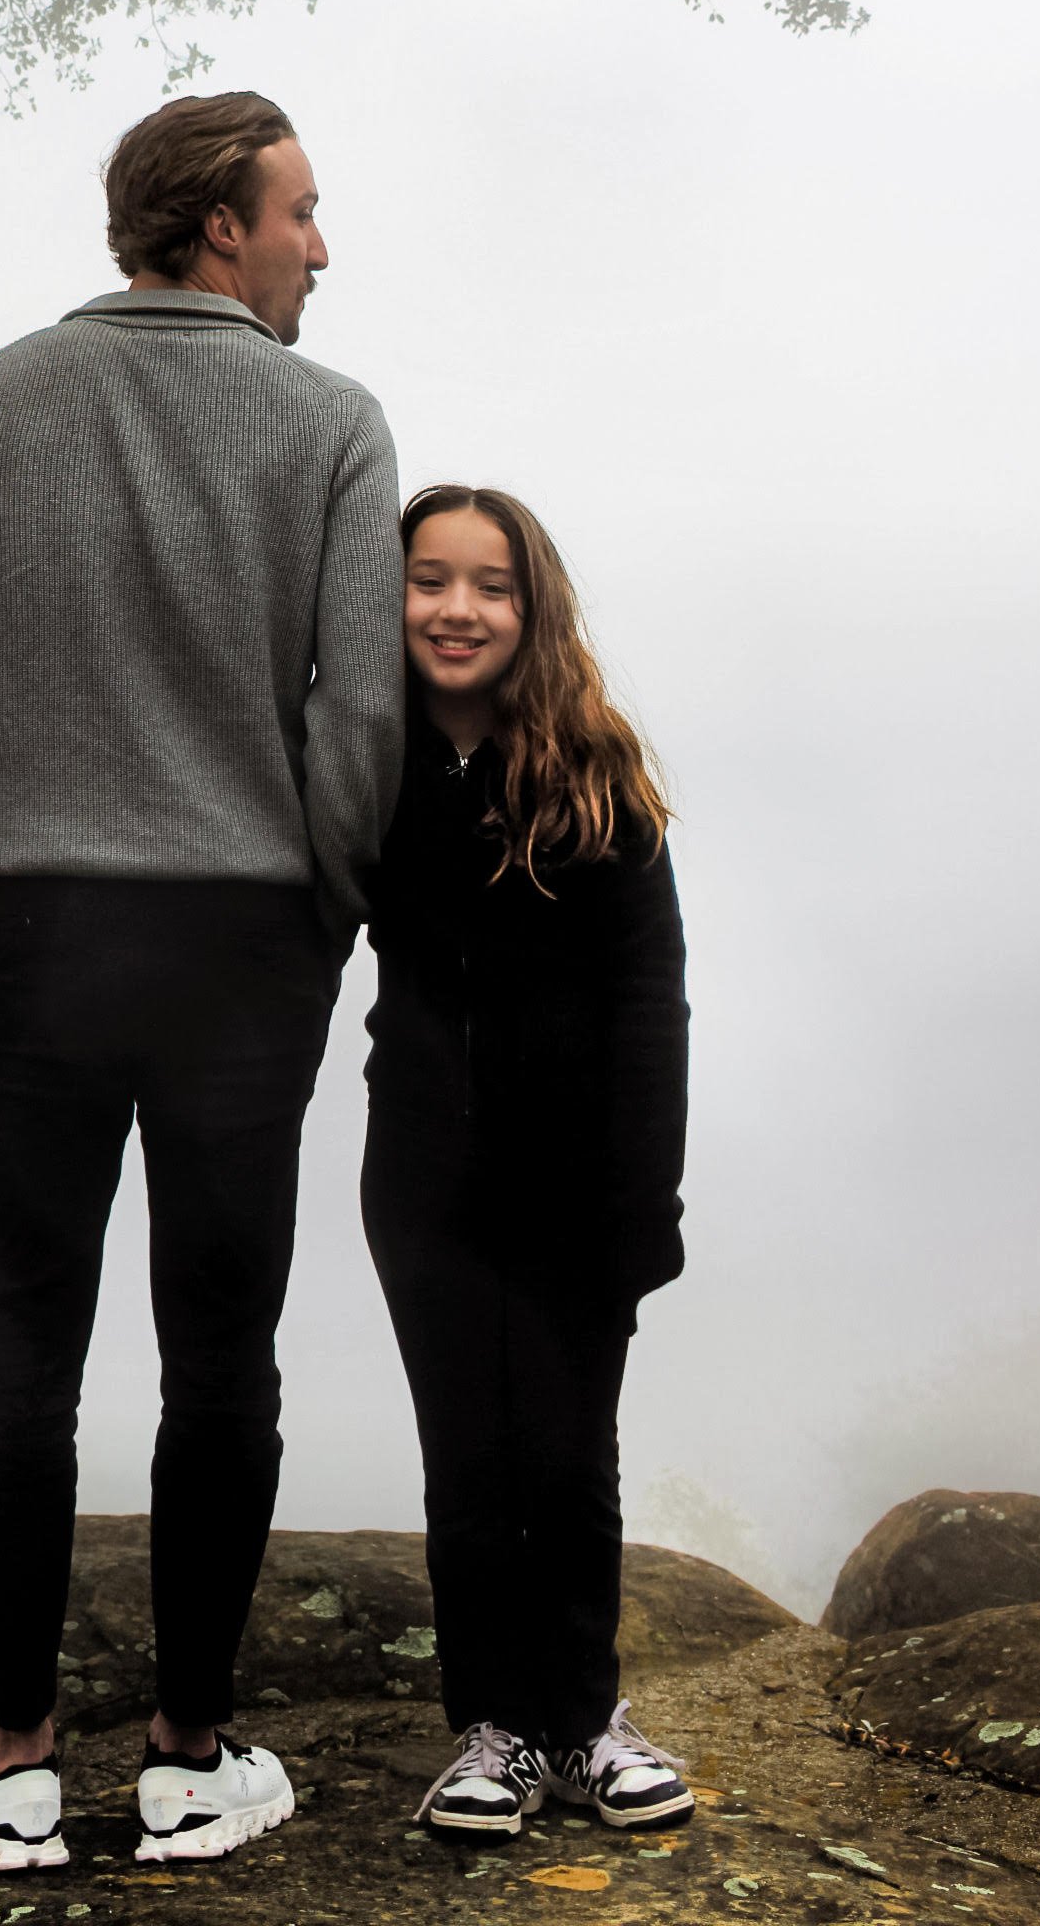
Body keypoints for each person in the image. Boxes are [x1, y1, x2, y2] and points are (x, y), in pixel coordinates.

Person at [0, 93, 404, 1870]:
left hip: (27, 930)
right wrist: (323, 907)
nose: (324, 246)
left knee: (18, 1348)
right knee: (221, 1353)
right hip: (243, 940)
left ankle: (16, 1762)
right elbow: (356, 719)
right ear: (218, 226)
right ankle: (188, 1752)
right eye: (304, 214)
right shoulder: (332, 427)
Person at [362, 484, 693, 1839]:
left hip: (579, 1188)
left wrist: (644, 1208)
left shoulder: (594, 769)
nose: (455, 608)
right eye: (427, 580)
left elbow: (650, 1001)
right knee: (470, 1461)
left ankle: (586, 1723)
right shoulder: (360, 764)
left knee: (568, 1457)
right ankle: (495, 1729)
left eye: (489, 585)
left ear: (531, 605)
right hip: (424, 1186)